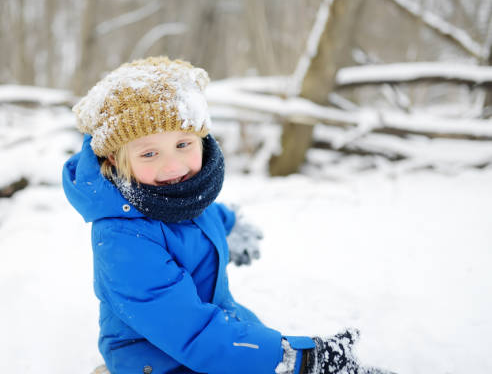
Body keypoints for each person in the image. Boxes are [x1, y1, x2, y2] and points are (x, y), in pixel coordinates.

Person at [62, 56, 393, 374]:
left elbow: (203, 216)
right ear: (114, 161)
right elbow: (191, 331)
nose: (173, 166)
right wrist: (298, 360)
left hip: (218, 331)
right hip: (162, 360)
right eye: (149, 153)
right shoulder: (123, 239)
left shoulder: (175, 194)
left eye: (183, 144)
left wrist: (230, 226)